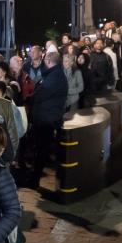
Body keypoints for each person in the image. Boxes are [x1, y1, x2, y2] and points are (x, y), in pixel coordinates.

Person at [28, 51, 68, 188]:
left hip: (46, 119)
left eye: (45, 60)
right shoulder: (55, 75)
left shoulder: (54, 77)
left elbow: (40, 95)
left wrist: (30, 98)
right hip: (46, 117)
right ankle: (34, 178)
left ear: (49, 61)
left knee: (41, 150)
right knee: (41, 149)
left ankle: (34, 181)